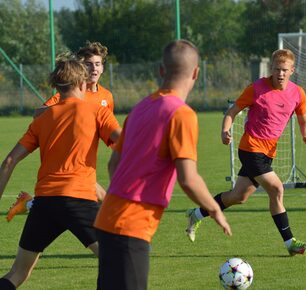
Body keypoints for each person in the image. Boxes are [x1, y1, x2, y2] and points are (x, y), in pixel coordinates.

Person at [94, 39, 232, 290]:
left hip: (107, 219)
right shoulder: (181, 114)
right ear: (196, 73)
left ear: (160, 70)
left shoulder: (140, 108)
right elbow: (188, 178)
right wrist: (215, 209)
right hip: (131, 226)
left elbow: (114, 164)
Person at [0, 53, 121, 289]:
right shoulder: (97, 111)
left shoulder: (42, 120)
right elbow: (125, 142)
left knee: (17, 273)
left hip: (45, 203)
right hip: (79, 200)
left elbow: (8, 161)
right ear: (81, 82)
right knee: (117, 261)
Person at [185, 49, 306, 256]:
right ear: (270, 69)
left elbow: (304, 118)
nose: (279, 74)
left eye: (284, 70)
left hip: (268, 152)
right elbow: (233, 111)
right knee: (276, 189)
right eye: (276, 69)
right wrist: (225, 130)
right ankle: (290, 242)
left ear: (292, 70)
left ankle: (197, 214)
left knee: (238, 196)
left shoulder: (298, 93)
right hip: (250, 148)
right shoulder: (256, 89)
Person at [6, 41, 114, 222]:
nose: (93, 68)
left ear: (103, 67)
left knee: (79, 204)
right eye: (88, 64)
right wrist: (72, 109)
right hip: (66, 157)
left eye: (97, 64)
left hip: (84, 158)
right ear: (82, 67)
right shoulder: (69, 90)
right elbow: (39, 113)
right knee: (101, 202)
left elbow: (105, 127)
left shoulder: (107, 96)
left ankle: (28, 203)